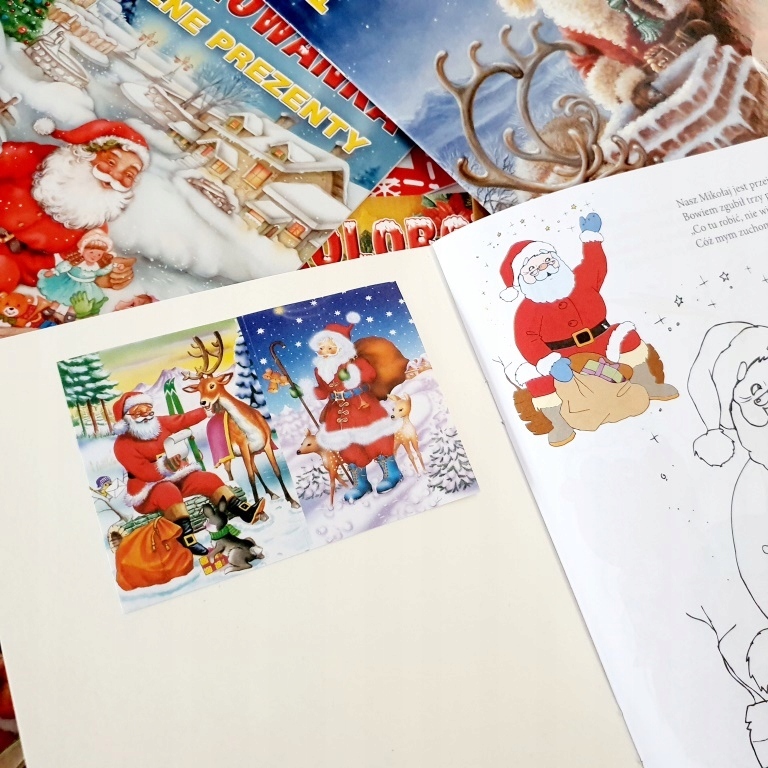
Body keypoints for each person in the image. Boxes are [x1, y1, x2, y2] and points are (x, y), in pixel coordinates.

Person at [499, 212, 678, 445]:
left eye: (547, 262)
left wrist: (591, 238)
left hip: (602, 340)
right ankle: (559, 424)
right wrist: (549, 362)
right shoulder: (527, 310)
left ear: (556, 259)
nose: (544, 270)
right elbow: (527, 340)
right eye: (533, 270)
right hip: (563, 357)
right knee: (536, 377)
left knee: (627, 335)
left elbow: (596, 265)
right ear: (522, 281)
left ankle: (648, 384)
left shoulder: (580, 279)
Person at [0, 118, 147, 293]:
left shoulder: (93, 230)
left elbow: (59, 265)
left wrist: (101, 276)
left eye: (129, 174)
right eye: (111, 162)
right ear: (88, 152)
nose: (115, 176)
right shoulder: (39, 159)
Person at [112, 391, 264, 556]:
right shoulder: (122, 445)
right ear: (126, 418)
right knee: (167, 491)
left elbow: (182, 419)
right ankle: (187, 537)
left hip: (175, 477)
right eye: (139, 412)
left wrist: (205, 411)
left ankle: (241, 509)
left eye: (148, 409)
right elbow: (144, 472)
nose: (146, 415)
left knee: (208, 479)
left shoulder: (159, 424)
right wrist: (164, 465)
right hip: (147, 492)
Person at [310, 312, 403, 502]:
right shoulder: (321, 370)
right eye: (321, 348)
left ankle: (391, 472)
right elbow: (323, 391)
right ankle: (361, 483)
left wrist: (353, 373)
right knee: (348, 447)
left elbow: (370, 375)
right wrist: (308, 391)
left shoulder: (356, 362)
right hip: (337, 412)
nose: (324, 352)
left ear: (341, 347)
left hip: (362, 406)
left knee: (376, 438)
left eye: (330, 348)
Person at [37, 228, 114, 318]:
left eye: (99, 254)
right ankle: (53, 307)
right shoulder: (77, 262)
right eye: (91, 252)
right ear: (82, 250)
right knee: (60, 294)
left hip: (85, 287)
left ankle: (71, 313)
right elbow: (65, 266)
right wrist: (55, 271)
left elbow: (100, 272)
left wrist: (110, 266)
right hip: (68, 282)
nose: (94, 256)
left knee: (76, 300)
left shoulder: (96, 266)